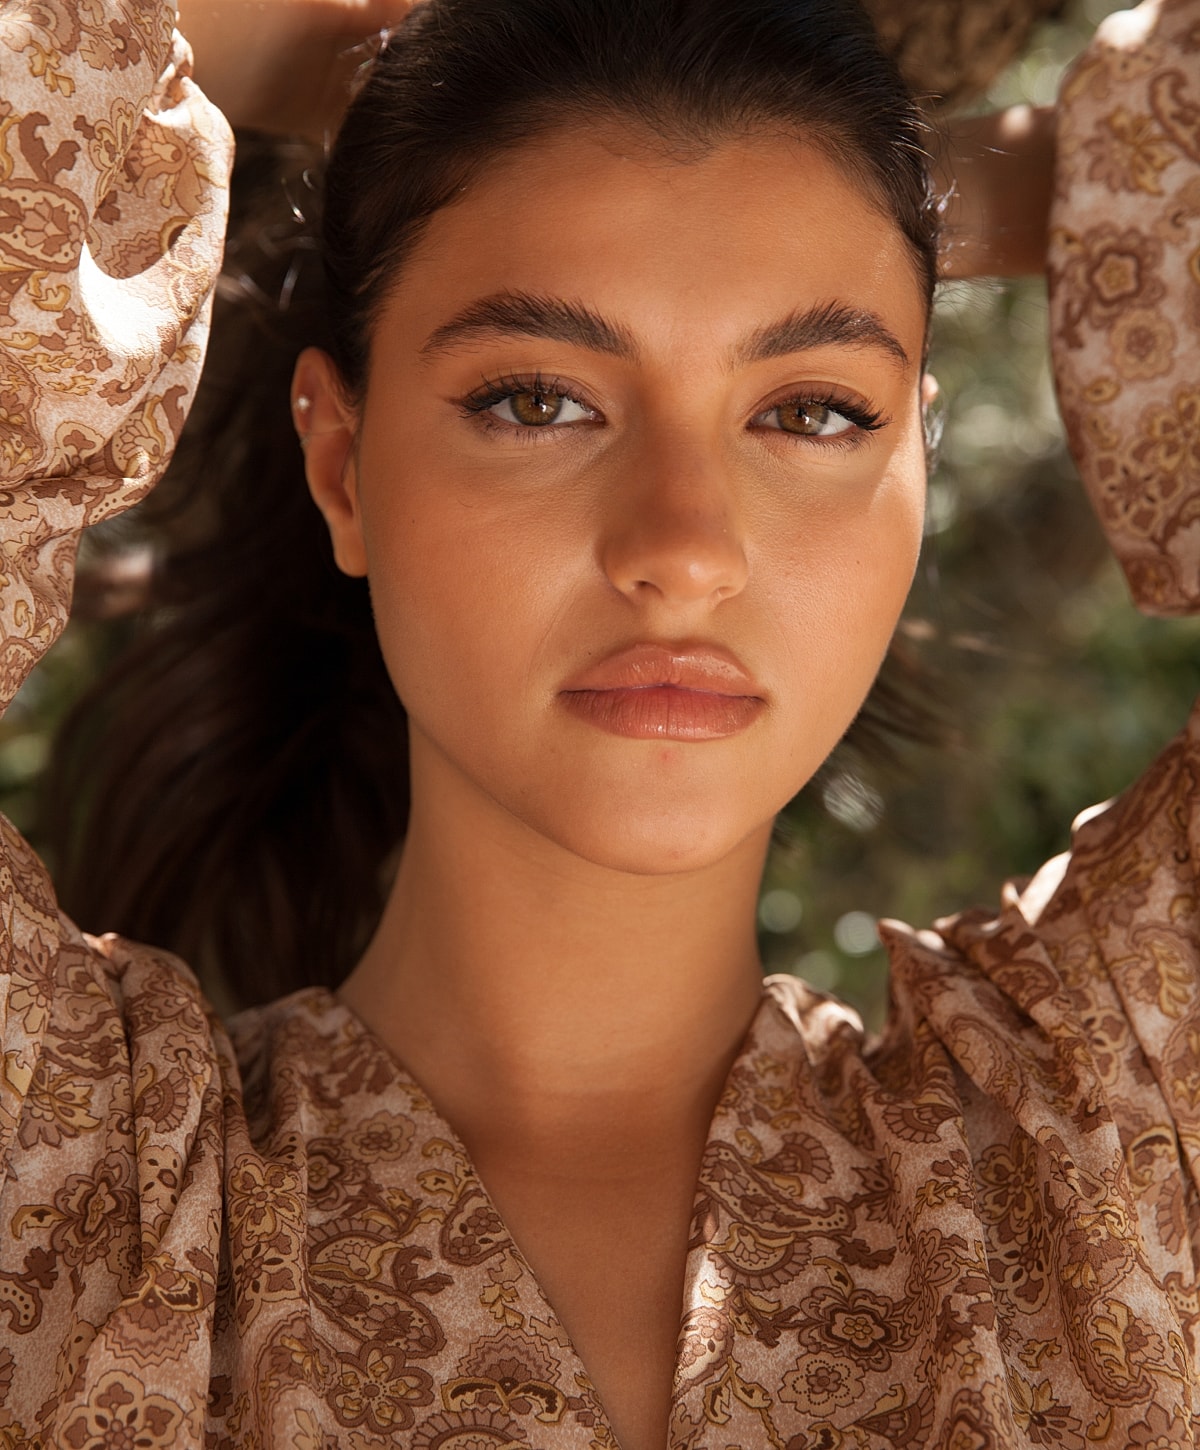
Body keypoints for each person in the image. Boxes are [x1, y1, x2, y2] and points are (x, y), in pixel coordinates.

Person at [1, 2, 1198, 1449]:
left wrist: (970, 193)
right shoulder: (57, 1172)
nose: (685, 546)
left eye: (815, 410)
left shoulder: (1112, 1146)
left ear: (919, 467)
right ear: (343, 468)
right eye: (537, 399)